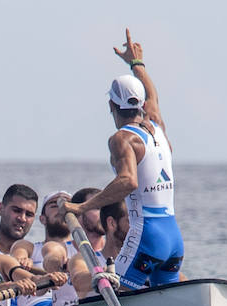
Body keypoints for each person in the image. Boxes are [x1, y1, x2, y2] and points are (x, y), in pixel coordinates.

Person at [61, 29, 183, 289]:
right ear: (140, 106)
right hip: (173, 237)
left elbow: (127, 181)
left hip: (146, 235)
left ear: (111, 107)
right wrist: (137, 63)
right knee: (166, 299)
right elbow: (154, 97)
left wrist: (82, 208)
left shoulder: (122, 139)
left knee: (113, 295)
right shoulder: (156, 126)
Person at [0, 184, 38, 257]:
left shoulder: (36, 256)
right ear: (1, 208)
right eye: (16, 210)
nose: (22, 219)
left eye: (29, 214)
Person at [69, 186, 106, 259]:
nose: (105, 214)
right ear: (77, 214)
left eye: (105, 209)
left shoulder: (119, 252)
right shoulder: (62, 250)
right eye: (97, 208)